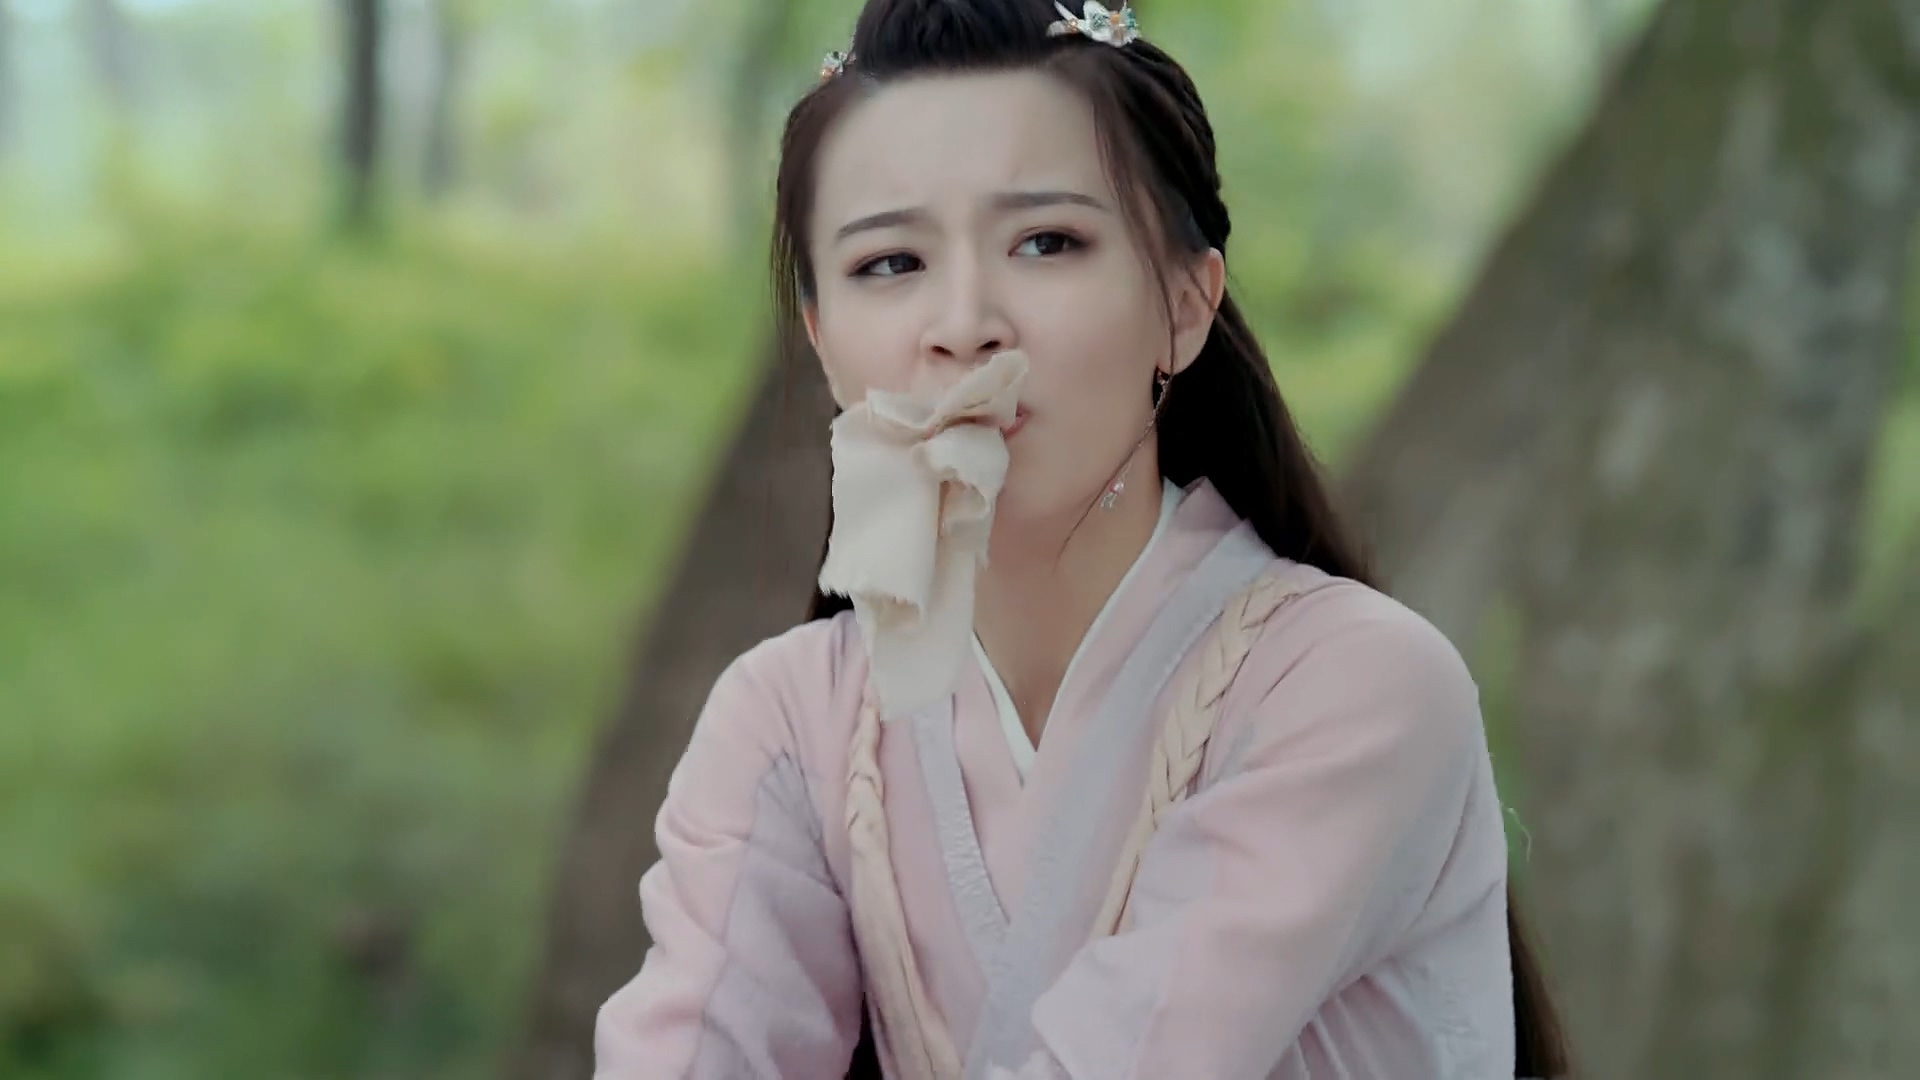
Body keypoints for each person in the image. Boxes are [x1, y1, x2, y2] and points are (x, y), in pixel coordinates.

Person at [594, 0, 1570, 1076]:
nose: (964, 325)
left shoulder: (1353, 687)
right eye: (891, 263)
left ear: (1186, 306)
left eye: (1046, 243)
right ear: (822, 340)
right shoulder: (790, 719)